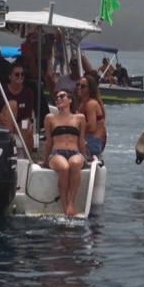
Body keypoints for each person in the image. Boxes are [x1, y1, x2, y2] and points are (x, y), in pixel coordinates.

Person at [43, 88, 90, 217]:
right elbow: (48, 142)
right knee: (64, 167)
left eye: (62, 96)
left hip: (75, 152)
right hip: (56, 153)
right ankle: (65, 206)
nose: (58, 99)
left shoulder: (80, 118)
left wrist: (85, 158)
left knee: (74, 164)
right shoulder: (50, 118)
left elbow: (81, 140)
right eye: (56, 98)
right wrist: (45, 160)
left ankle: (71, 202)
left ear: (70, 100)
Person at [3, 62, 38, 154]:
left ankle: (28, 160)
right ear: (10, 76)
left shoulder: (28, 92)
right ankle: (9, 148)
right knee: (13, 104)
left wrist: (26, 127)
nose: (20, 76)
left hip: (19, 122)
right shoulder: (2, 89)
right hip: (2, 120)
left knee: (28, 130)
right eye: (17, 74)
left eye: (22, 74)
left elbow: (27, 114)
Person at [74, 73, 106, 157]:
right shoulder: (82, 104)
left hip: (92, 142)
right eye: (78, 85)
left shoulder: (91, 104)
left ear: (90, 89)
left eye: (83, 86)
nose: (79, 88)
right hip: (87, 140)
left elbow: (92, 127)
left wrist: (77, 120)